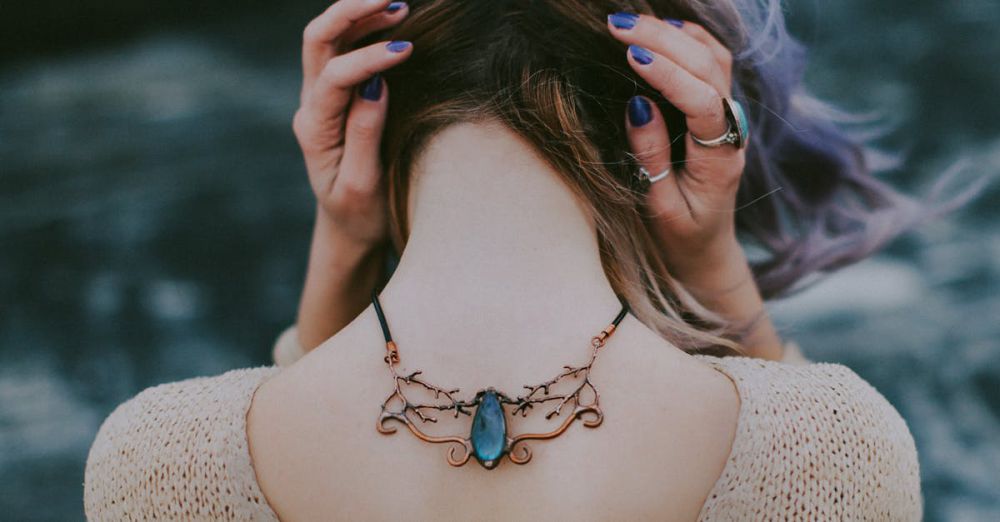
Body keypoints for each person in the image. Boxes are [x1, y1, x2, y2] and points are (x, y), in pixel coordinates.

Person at [84, 0, 927, 519]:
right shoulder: (834, 446)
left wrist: (342, 242)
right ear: (659, 129)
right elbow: (798, 459)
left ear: (359, 121)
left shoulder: (160, 461)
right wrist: (710, 260)